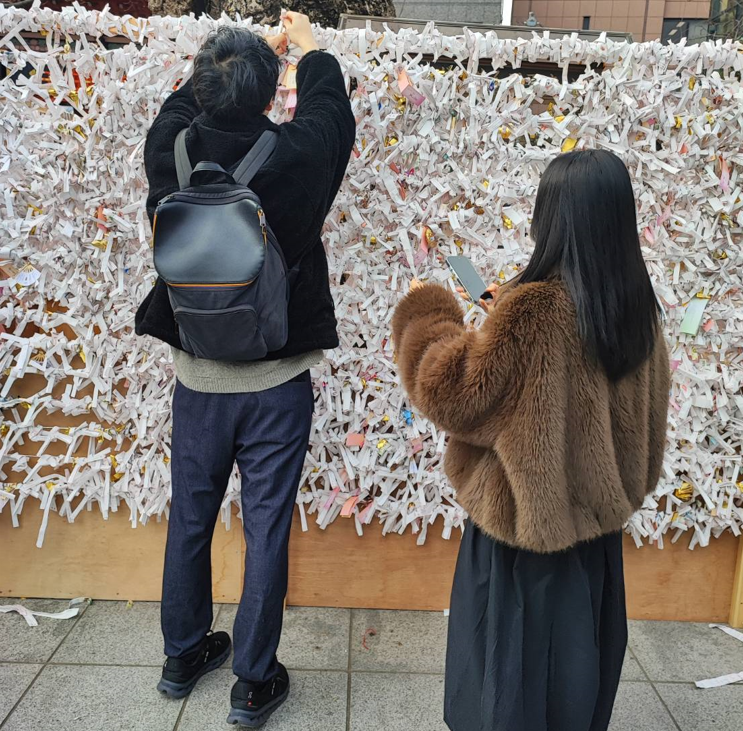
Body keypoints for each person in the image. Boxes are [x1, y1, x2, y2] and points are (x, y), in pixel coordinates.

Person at [392, 150, 670, 731]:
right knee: (575, 682)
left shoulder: (534, 311)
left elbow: (448, 392)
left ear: (553, 220)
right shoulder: (639, 313)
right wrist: (504, 318)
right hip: (594, 542)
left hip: (522, 542)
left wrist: (429, 311)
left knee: (510, 688)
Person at [135, 12, 355, 727]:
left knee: (190, 518)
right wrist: (308, 51)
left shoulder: (169, 150)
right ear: (269, 96)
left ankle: (181, 655)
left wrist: (223, 67)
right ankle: (253, 683)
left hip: (196, 379)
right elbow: (331, 113)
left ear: (203, 87)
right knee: (265, 529)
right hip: (275, 382)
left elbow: (178, 107)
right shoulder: (297, 158)